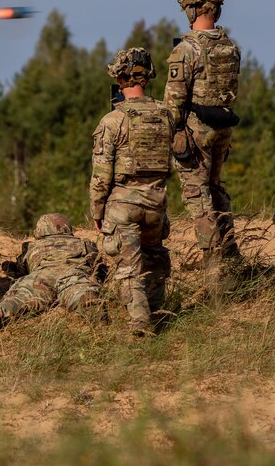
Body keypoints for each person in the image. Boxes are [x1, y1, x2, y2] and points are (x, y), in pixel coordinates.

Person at [90, 48, 174, 335]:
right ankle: (158, 313)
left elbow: (101, 175)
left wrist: (97, 211)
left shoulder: (112, 121)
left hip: (123, 205)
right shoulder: (166, 114)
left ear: (119, 77)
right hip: (157, 203)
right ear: (148, 76)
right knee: (154, 258)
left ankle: (140, 322)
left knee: (128, 266)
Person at [164, 0, 243, 272]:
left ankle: (215, 268)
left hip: (196, 131)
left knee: (198, 198)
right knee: (217, 189)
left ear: (195, 8)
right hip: (223, 127)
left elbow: (173, 102)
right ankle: (232, 254)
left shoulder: (186, 50)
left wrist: (170, 136)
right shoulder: (230, 47)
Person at [0, 213, 101, 333]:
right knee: (80, 289)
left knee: (20, 297)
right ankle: (88, 304)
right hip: (72, 273)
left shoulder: (33, 247)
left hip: (41, 276)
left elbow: (22, 269)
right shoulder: (85, 243)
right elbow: (95, 263)